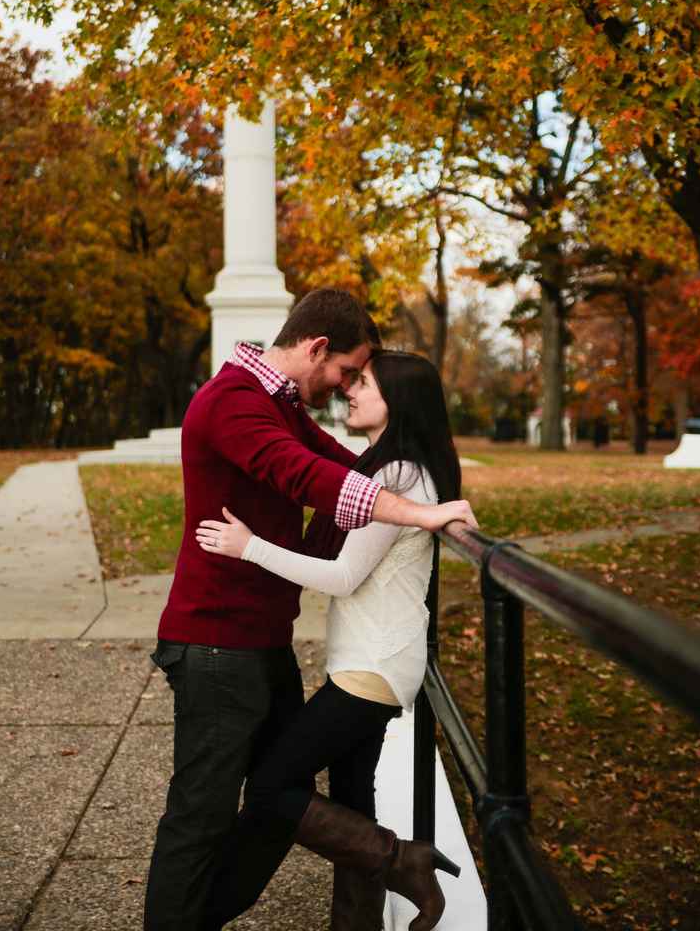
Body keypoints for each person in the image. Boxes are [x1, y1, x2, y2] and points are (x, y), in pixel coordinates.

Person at [145, 290, 477, 931]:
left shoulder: (276, 404)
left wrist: (418, 484)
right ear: (317, 348)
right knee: (201, 815)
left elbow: (342, 466)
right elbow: (303, 475)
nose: (346, 386)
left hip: (262, 645)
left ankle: (214, 913)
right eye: (347, 371)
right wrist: (420, 511)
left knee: (275, 805)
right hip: (216, 645)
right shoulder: (232, 402)